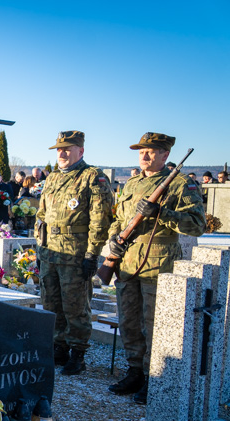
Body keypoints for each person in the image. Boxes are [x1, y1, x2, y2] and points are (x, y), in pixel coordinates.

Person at [106, 132, 206, 403]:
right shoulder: (131, 183)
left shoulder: (181, 184)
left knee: (154, 324)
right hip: (128, 262)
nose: (145, 155)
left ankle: (153, 378)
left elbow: (198, 224)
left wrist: (163, 214)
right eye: (142, 151)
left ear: (165, 155)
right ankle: (135, 371)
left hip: (159, 262)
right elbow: (120, 219)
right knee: (129, 321)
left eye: (151, 151)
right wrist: (114, 238)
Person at [35, 130, 113, 375]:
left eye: (67, 149)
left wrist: (92, 254)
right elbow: (41, 215)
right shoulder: (52, 178)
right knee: (51, 303)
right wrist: (40, 246)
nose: (62, 153)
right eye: (59, 149)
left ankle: (77, 354)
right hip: (50, 253)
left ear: (81, 150)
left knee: (76, 306)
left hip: (75, 254)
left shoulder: (92, 178)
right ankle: (59, 347)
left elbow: (100, 221)